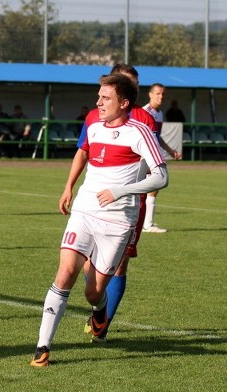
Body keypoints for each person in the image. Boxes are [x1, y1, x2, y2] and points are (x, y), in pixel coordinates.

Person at [31, 73, 169, 367]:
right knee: (65, 273)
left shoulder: (139, 132)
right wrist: (69, 187)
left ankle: (99, 310)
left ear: (124, 103)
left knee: (93, 291)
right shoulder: (93, 126)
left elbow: (161, 176)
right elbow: (83, 155)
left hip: (118, 221)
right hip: (84, 212)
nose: (98, 102)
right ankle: (42, 347)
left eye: (105, 98)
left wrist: (121, 191)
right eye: (99, 96)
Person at [72, 63, 158, 344]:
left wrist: (129, 188)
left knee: (119, 266)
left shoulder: (144, 120)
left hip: (127, 205)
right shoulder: (95, 118)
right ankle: (98, 308)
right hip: (93, 202)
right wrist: (68, 186)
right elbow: (84, 151)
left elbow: (153, 165)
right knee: (87, 264)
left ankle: (103, 324)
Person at [142, 83, 181, 233]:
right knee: (151, 186)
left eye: (163, 94)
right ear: (150, 95)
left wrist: (170, 150)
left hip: (155, 154)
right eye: (158, 93)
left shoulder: (159, 113)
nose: (161, 96)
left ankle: (147, 223)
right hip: (146, 155)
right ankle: (146, 224)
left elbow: (157, 137)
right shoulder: (145, 112)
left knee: (153, 187)